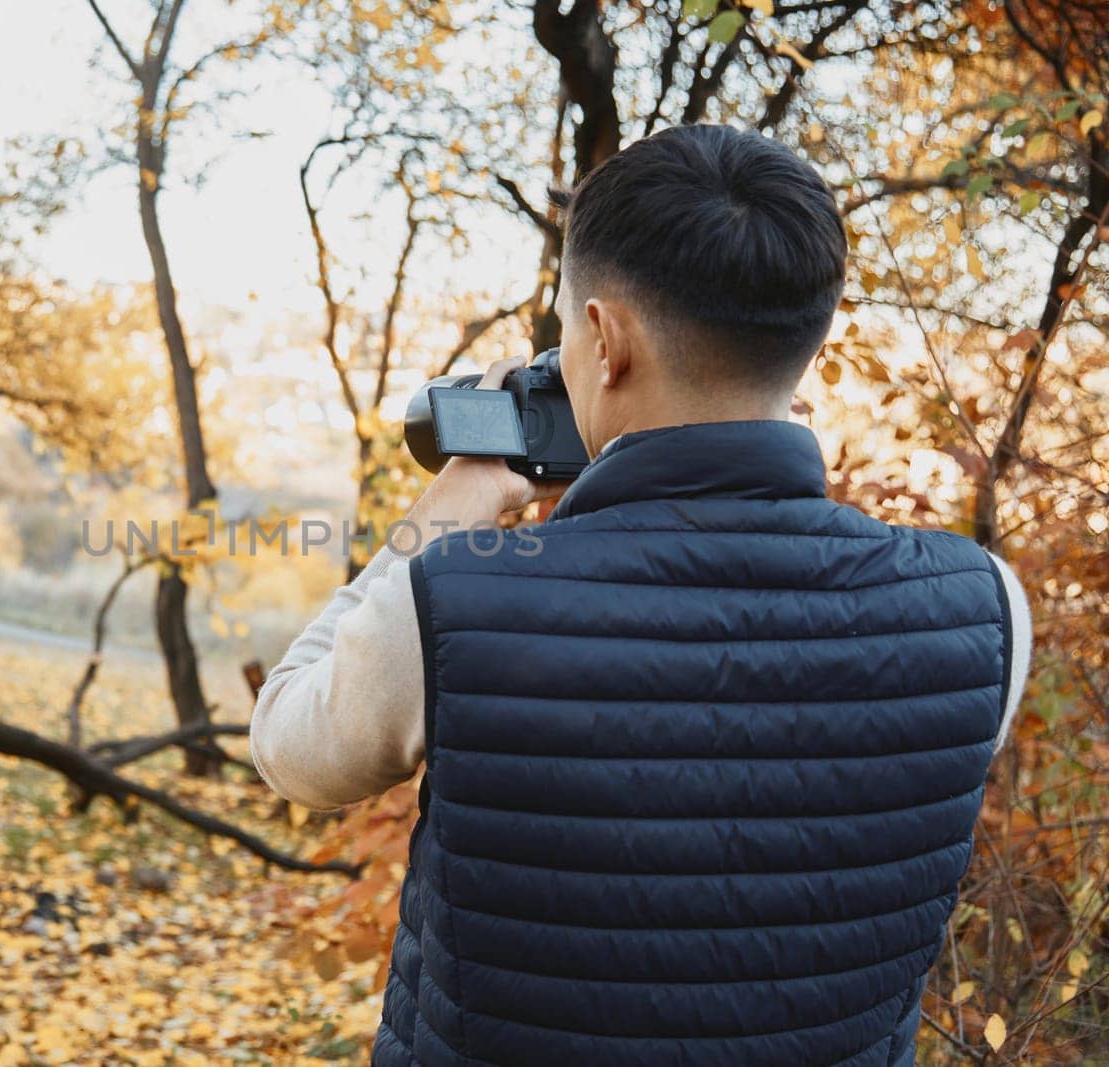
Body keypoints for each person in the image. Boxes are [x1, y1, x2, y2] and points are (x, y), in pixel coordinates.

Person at [249, 123, 1033, 1067]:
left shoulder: (454, 603)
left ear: (604, 339)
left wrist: (451, 504)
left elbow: (290, 745)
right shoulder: (987, 610)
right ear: (806, 345)